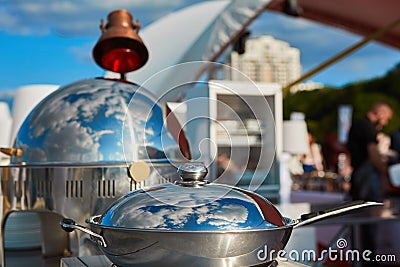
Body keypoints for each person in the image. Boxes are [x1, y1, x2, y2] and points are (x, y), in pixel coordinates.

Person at [347, 101, 394, 202]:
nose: (386, 123)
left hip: (358, 171)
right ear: (380, 113)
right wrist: (385, 171)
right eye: (386, 118)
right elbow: (373, 153)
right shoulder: (367, 127)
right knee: (370, 205)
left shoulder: (359, 124)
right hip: (365, 173)